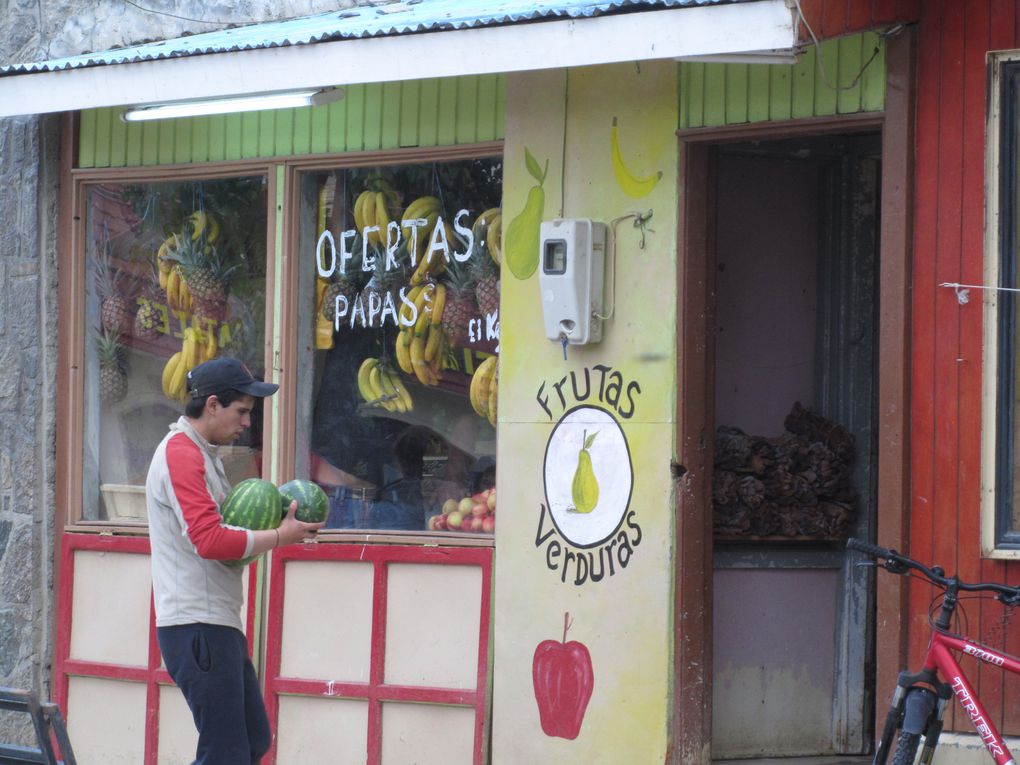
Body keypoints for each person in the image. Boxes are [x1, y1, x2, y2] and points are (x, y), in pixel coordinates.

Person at [146, 357, 323, 764]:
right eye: (241, 410)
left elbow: (225, 531)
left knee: (251, 742)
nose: (247, 422)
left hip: (214, 624)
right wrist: (280, 536)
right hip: (196, 626)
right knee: (226, 754)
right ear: (212, 404)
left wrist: (284, 522)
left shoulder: (202, 454)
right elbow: (208, 540)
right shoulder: (181, 454)